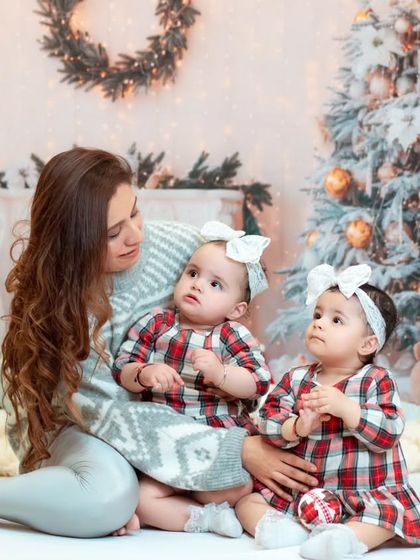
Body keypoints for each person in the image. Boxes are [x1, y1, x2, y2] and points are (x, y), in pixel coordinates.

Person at [0, 147, 319, 538]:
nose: (135, 235)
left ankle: (121, 502)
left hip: (180, 419)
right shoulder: (65, 307)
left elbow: (236, 301)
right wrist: (235, 449)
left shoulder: (182, 248)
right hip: (80, 425)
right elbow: (108, 415)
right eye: (112, 234)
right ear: (73, 242)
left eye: (134, 212)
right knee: (109, 496)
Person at [236, 263, 420, 558]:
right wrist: (296, 427)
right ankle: (282, 531)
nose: (319, 323)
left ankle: (346, 540)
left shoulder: (376, 380)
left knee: (387, 518)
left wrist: (349, 409)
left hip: (365, 493)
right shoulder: (296, 378)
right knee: (246, 502)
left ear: (367, 343)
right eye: (318, 315)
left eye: (336, 320)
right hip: (304, 493)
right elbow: (268, 418)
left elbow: (390, 431)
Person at [112, 221, 271, 537]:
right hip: (167, 441)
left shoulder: (230, 335)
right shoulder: (158, 322)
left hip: (214, 441)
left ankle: (214, 504)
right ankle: (207, 520)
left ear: (237, 309)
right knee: (142, 499)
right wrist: (144, 373)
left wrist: (222, 374)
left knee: (235, 486)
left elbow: (257, 381)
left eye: (215, 285)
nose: (197, 285)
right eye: (193, 273)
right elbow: (122, 369)